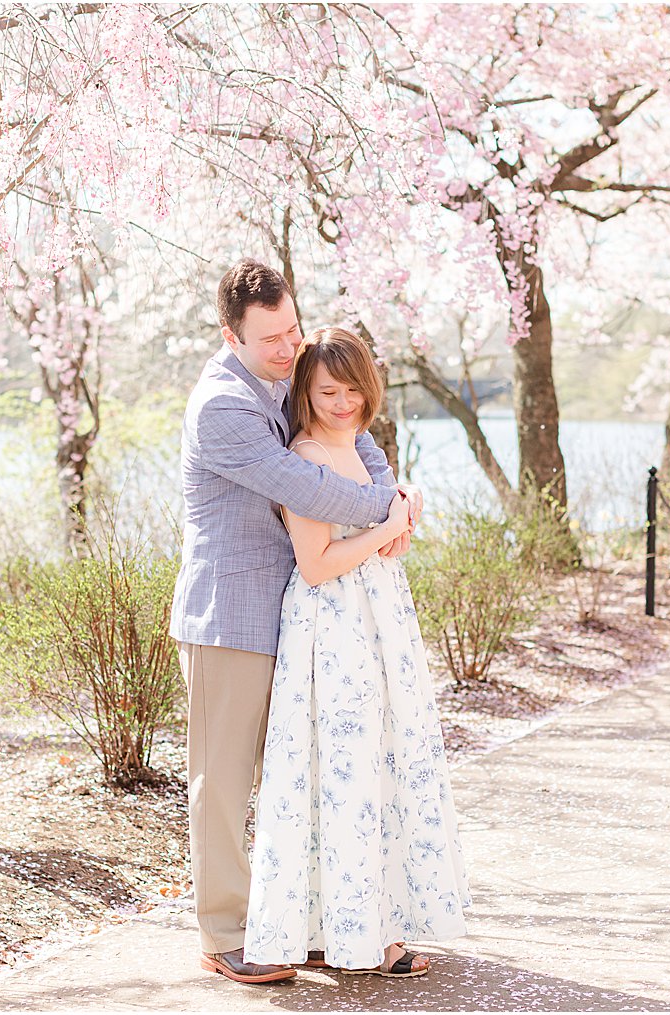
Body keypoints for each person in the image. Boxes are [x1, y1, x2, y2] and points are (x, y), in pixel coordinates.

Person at [171, 260, 422, 985]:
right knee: (222, 780)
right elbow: (303, 482)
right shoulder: (223, 403)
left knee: (299, 773)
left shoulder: (287, 376)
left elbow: (351, 436)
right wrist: (388, 513)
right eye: (271, 339)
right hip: (233, 612)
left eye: (293, 331)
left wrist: (394, 489)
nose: (288, 349)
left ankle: (308, 922)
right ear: (231, 335)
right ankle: (224, 932)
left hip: (303, 613)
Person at [242, 326, 470, 978]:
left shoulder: (365, 455)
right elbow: (315, 564)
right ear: (306, 396)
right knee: (343, 777)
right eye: (327, 391)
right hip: (333, 629)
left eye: (352, 389)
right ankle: (350, 934)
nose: (343, 402)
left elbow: (386, 526)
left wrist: (399, 520)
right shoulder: (306, 454)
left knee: (381, 773)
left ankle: (375, 925)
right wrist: (390, 528)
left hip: (378, 625)